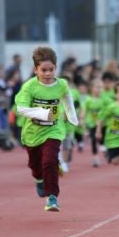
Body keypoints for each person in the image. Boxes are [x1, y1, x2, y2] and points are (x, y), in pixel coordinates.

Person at [14, 46, 78, 212]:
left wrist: (72, 116)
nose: (48, 74)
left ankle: (52, 197)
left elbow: (67, 98)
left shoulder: (61, 84)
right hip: (32, 133)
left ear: (56, 68)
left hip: (54, 130)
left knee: (49, 161)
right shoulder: (29, 86)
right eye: (44, 70)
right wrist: (42, 114)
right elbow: (21, 109)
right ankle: (39, 180)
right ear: (35, 70)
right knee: (35, 167)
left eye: (51, 70)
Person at [96, 79, 119, 185]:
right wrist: (98, 131)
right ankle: (110, 155)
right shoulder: (111, 107)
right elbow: (101, 118)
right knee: (115, 162)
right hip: (112, 138)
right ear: (116, 94)